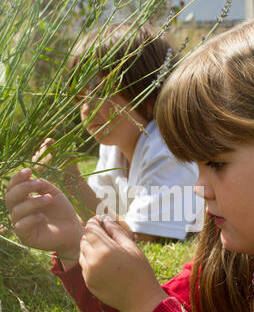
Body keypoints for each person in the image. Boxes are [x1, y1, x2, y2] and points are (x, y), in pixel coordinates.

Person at [6, 8, 254, 312]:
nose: (199, 188)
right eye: (195, 166)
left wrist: (146, 301)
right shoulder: (242, 250)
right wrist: (75, 246)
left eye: (216, 164)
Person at [33, 23, 200, 242]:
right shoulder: (113, 148)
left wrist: (73, 183)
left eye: (102, 92)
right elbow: (96, 212)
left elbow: (138, 236)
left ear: (150, 96)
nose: (87, 107)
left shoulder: (168, 150)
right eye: (82, 94)